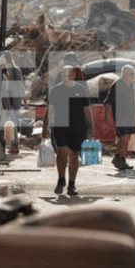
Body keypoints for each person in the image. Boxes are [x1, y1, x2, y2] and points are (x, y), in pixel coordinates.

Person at [44, 65, 94, 196]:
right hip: (60, 126)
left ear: (74, 75)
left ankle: (72, 185)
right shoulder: (55, 90)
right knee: (62, 151)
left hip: (78, 127)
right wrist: (45, 127)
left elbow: (87, 110)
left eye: (69, 73)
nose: (67, 75)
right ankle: (61, 179)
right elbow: (49, 110)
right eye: (64, 73)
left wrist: (92, 127)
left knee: (74, 155)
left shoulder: (81, 89)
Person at [103, 65, 135, 170]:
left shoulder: (131, 85)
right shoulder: (117, 85)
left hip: (130, 117)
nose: (133, 75)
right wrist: (106, 117)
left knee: (127, 139)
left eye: (133, 73)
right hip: (120, 116)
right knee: (124, 137)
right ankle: (120, 159)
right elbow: (108, 102)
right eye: (131, 73)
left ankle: (119, 158)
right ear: (124, 74)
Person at [0, 51, 24, 153]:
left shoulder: (8, 70)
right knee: (14, 122)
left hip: (11, 100)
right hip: (17, 99)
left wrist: (7, 103)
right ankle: (13, 145)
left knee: (11, 123)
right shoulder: (18, 69)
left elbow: (7, 88)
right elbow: (21, 85)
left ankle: (14, 145)